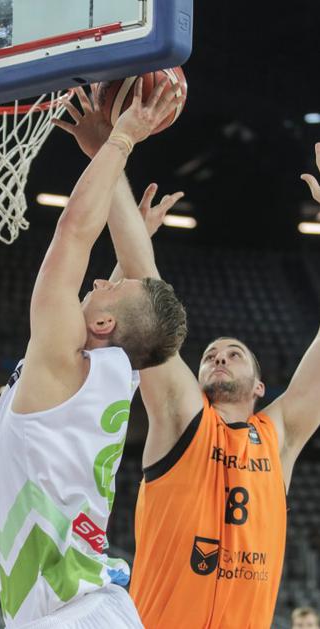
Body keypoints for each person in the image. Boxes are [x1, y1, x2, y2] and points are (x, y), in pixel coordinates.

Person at [58, 93, 320, 628]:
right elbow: (144, 278)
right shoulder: (183, 415)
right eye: (210, 355)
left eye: (234, 354)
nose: (219, 357)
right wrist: (109, 150)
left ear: (260, 386)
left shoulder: (281, 436)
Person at [0, 79, 187, 629]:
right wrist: (133, 233)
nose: (101, 279)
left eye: (110, 285)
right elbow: (122, 305)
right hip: (83, 609)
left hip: (76, 611)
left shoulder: (63, 363)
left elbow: (73, 232)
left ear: (102, 324)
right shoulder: (112, 369)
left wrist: (121, 139)